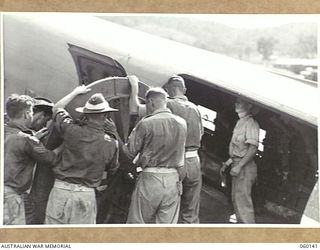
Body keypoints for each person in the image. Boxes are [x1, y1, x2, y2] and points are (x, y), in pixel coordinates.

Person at [128, 75, 203, 223]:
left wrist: (134, 86)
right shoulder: (196, 109)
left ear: (168, 90)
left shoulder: (166, 103)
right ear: (184, 90)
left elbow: (135, 109)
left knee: (153, 209)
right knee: (190, 212)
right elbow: (200, 135)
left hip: (175, 163)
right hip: (194, 161)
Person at [45, 86, 120, 224]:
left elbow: (56, 108)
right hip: (85, 194)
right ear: (105, 115)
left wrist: (75, 92)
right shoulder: (111, 142)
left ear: (86, 114)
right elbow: (113, 169)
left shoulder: (71, 130)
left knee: (53, 237)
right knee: (81, 240)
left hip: (61, 190)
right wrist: (114, 134)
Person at [123, 87, 187, 224]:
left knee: (137, 224)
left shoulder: (146, 123)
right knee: (165, 229)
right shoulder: (182, 123)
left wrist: (117, 138)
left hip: (150, 179)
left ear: (151, 102)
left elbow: (129, 152)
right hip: (173, 180)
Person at [4, 94, 59, 225]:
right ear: (26, 114)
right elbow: (50, 158)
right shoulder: (26, 140)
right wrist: (63, 146)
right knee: (13, 237)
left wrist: (34, 138)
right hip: (11, 196)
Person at [220, 97, 259, 224]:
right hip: (237, 163)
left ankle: (250, 233)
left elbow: (253, 148)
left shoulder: (251, 123)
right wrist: (228, 163)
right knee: (236, 199)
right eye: (236, 101)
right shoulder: (240, 122)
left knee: (242, 202)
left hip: (245, 167)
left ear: (249, 106)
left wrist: (239, 166)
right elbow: (238, 149)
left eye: (240, 102)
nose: (237, 104)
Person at [24, 97, 55, 224]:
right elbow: (48, 157)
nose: (45, 126)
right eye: (46, 121)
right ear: (41, 115)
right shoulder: (27, 136)